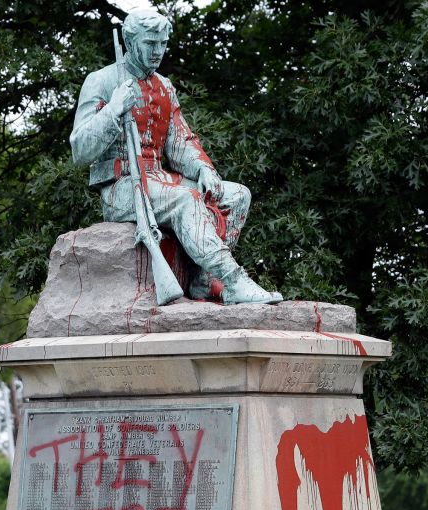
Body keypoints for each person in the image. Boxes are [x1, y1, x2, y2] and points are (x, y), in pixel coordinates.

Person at [70, 7, 282, 305]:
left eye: (162, 43)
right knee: (186, 198)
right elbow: (79, 150)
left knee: (237, 195)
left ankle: (204, 281)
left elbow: (181, 141)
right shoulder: (102, 81)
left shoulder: (164, 87)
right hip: (121, 187)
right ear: (129, 42)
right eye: (150, 43)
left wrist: (204, 169)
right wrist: (114, 110)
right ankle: (233, 281)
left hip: (159, 179)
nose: (158, 51)